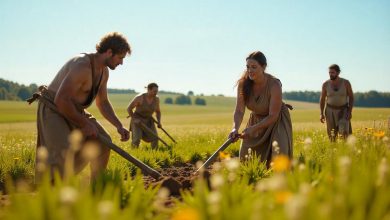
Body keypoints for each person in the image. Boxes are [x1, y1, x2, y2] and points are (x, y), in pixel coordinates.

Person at [28, 32, 131, 181]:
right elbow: (62, 100)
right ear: (109, 52)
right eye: (120, 57)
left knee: (103, 143)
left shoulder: (104, 72)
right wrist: (84, 123)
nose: (121, 62)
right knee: (62, 153)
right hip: (54, 108)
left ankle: (96, 186)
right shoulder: (82, 65)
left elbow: (102, 102)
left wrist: (119, 126)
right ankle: (50, 192)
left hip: (74, 109)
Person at [228, 51, 293, 167]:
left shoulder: (274, 85)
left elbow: (273, 116)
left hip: (277, 121)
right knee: (245, 158)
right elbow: (239, 110)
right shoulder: (243, 84)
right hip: (256, 120)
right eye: (248, 67)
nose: (250, 70)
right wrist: (235, 128)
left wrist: (253, 129)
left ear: (263, 67)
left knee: (279, 155)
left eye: (254, 67)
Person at [320, 64, 353, 141]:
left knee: (345, 134)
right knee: (332, 135)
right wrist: (321, 113)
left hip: (343, 111)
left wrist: (349, 111)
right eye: (329, 73)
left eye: (333, 72)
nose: (330, 74)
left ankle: (345, 150)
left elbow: (351, 97)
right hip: (329, 111)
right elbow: (322, 99)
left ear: (338, 73)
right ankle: (333, 151)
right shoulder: (325, 84)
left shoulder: (346, 83)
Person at [127, 83, 162, 149]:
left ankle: (154, 153)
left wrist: (159, 122)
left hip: (149, 120)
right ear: (148, 89)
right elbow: (129, 108)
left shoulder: (156, 99)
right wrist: (135, 119)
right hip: (138, 120)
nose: (156, 93)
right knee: (136, 139)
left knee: (155, 138)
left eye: (157, 91)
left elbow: (158, 112)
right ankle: (134, 154)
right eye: (154, 91)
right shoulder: (140, 97)